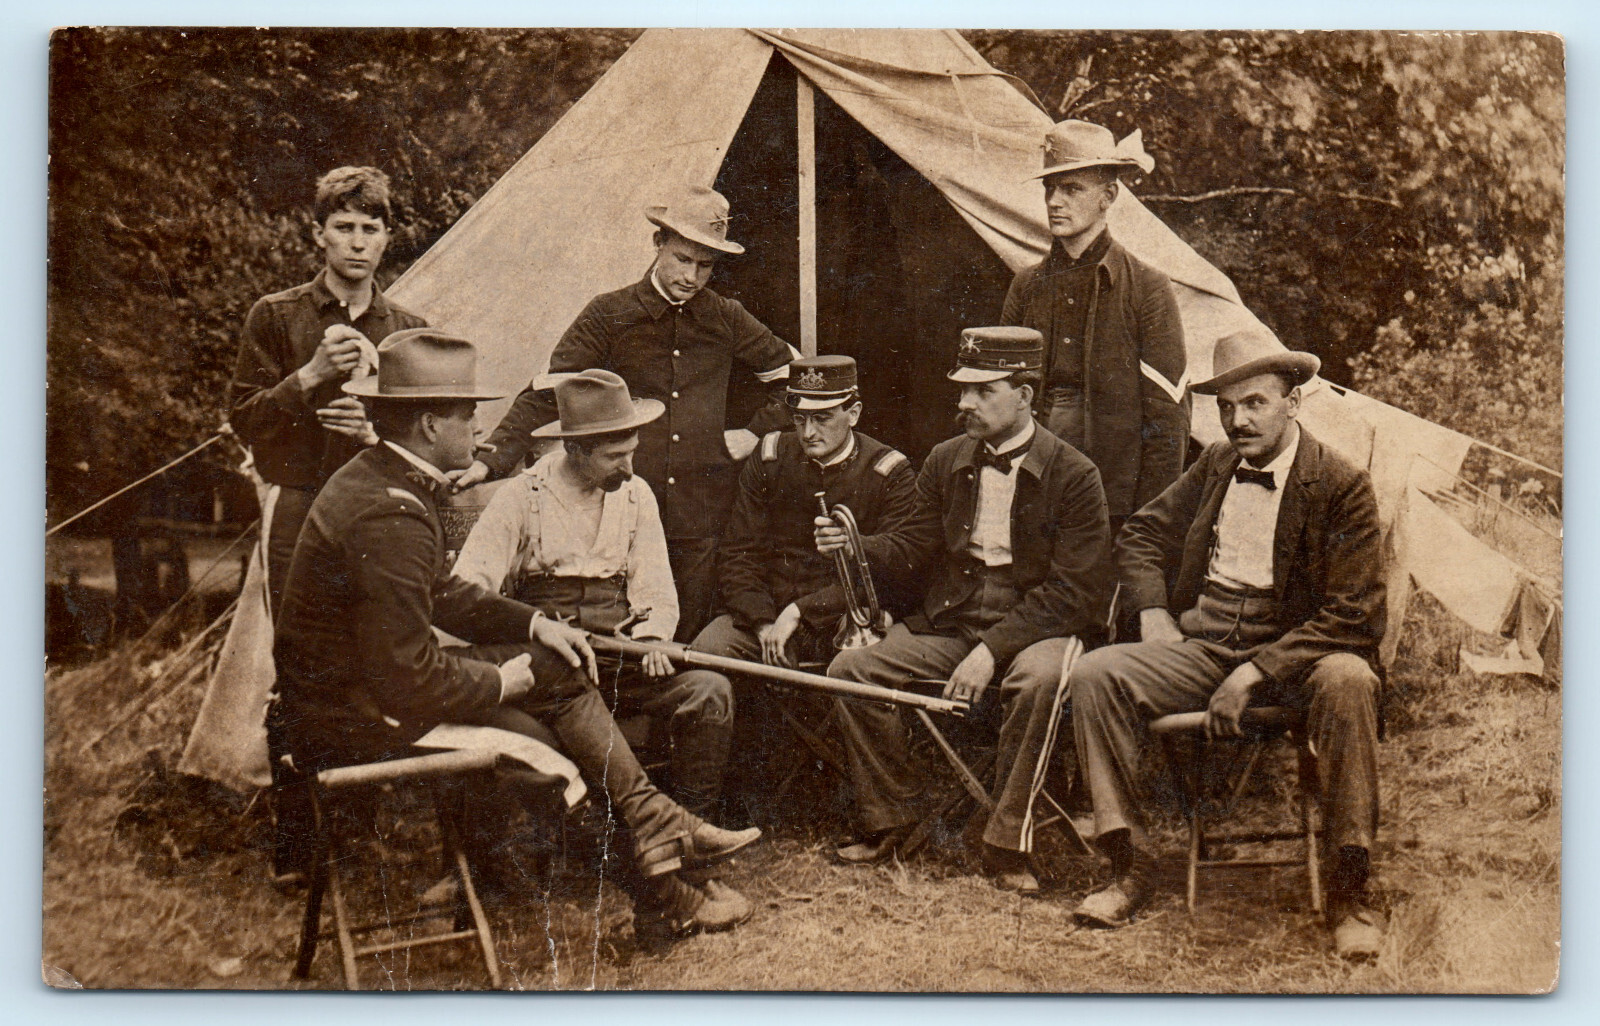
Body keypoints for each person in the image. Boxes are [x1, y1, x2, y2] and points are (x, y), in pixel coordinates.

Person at [267, 329, 761, 939]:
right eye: (467, 415)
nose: (480, 430)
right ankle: (661, 894)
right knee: (548, 759)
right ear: (427, 426)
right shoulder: (387, 510)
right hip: (353, 716)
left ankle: (656, 822)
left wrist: (533, 625)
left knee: (556, 666)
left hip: (370, 690)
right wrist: (501, 679)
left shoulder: (381, 481)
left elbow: (442, 593)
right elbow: (407, 679)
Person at [1068, 325, 1386, 961]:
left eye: (1255, 403)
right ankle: (1128, 865)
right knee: (1095, 674)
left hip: (1301, 654)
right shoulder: (1216, 463)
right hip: (1207, 643)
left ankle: (1352, 889)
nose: (1237, 421)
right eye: (1226, 407)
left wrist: (1253, 674)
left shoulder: (1343, 484)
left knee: (1351, 680)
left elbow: (1354, 614)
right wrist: (1155, 612)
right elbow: (1139, 535)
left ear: (1293, 403)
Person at [816, 327, 1110, 893]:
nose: (964, 404)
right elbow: (913, 546)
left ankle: (1007, 844)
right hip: (955, 617)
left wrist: (990, 651)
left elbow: (1074, 593)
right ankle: (893, 819)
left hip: (1043, 624)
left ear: (1025, 395)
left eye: (983, 391)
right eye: (963, 390)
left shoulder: (1076, 474)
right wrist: (855, 543)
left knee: (1039, 682)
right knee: (853, 671)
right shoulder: (947, 459)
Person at [457, 185, 796, 642]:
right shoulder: (609, 313)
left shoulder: (726, 316)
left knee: (687, 639)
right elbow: (552, 390)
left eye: (706, 266)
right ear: (658, 244)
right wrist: (490, 458)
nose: (692, 277)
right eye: (682, 259)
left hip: (703, 512)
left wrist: (755, 432)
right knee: (623, 636)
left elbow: (796, 379)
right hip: (624, 507)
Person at [451, 369, 730, 817]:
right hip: (552, 667)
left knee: (709, 690)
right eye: (614, 457)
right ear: (575, 449)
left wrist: (653, 638)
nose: (629, 468)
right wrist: (531, 633)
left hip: (619, 657)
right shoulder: (523, 497)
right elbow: (470, 588)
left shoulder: (636, 495)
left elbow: (655, 586)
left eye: (632, 453)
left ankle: (690, 829)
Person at [686, 356, 918, 812]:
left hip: (841, 621)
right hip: (766, 619)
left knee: (861, 676)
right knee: (705, 656)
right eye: (800, 417)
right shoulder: (770, 456)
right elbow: (738, 552)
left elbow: (897, 571)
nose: (808, 431)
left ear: (853, 413)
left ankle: (877, 813)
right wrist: (761, 621)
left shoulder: (889, 471)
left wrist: (801, 612)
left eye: (823, 417)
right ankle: (702, 807)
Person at [228, 166, 428, 618]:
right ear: (319, 234)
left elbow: (430, 442)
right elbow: (243, 420)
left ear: (386, 237)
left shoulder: (409, 331)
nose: (357, 243)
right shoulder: (275, 316)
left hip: (380, 509)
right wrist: (308, 376)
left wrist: (373, 436)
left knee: (376, 639)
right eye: (344, 227)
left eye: (370, 229)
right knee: (297, 643)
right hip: (297, 504)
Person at [1002, 120, 1188, 531]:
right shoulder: (1027, 285)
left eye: (1072, 189)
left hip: (1112, 495)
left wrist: (1148, 525)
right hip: (1033, 482)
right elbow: (1000, 392)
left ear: (1108, 196)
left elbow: (1167, 420)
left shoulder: (1147, 287)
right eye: (1050, 188)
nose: (1055, 201)